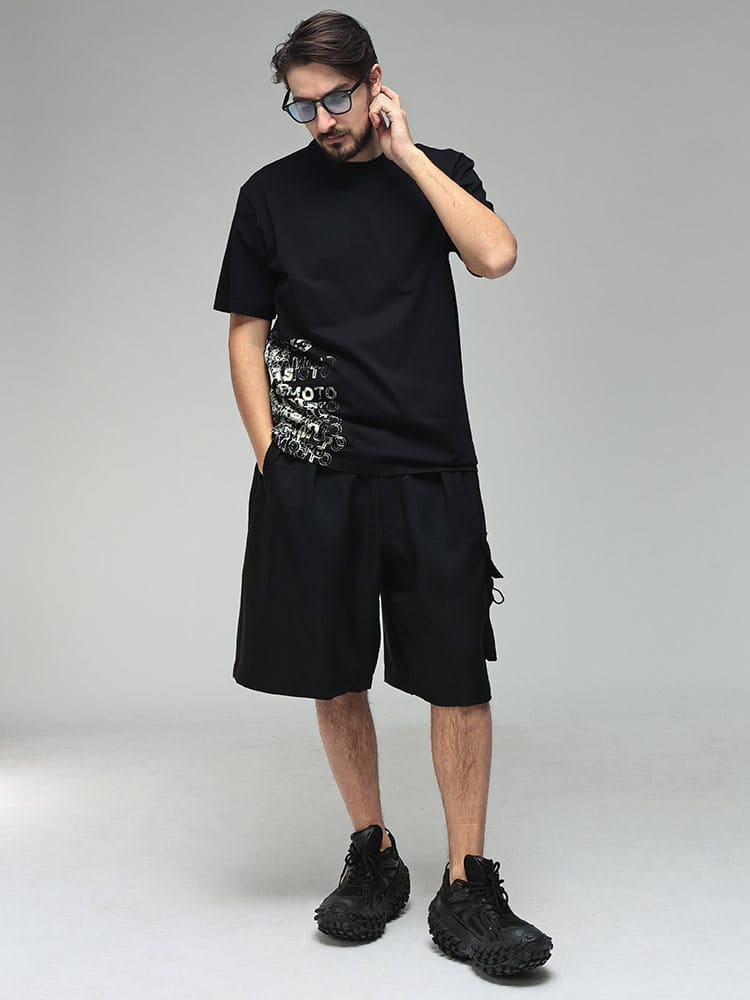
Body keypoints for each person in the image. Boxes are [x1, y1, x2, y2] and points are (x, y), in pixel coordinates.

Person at [213, 10, 553, 979]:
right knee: (334, 671)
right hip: (317, 467)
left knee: (457, 675)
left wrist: (407, 155)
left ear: (374, 82)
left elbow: (494, 256)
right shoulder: (269, 195)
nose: (322, 120)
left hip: (430, 465)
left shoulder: (437, 171)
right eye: (302, 106)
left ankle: (467, 881)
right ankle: (374, 852)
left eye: (337, 99)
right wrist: (271, 454)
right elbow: (245, 331)